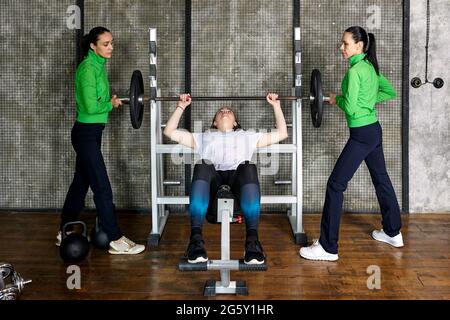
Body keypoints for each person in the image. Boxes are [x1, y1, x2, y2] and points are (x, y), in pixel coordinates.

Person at [300, 26, 403, 261]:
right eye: (342, 43)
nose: (341, 48)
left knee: (336, 184)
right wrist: (367, 102)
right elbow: (388, 92)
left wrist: (338, 99)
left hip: (362, 134)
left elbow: (353, 108)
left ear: (359, 46)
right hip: (373, 130)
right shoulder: (369, 66)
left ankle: (327, 247)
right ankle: (392, 232)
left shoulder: (356, 71)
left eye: (345, 44)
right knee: (381, 178)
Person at [164, 93, 288, 264]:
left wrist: (276, 105)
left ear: (236, 122)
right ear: (215, 122)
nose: (224, 111)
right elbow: (169, 131)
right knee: (203, 164)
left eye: (229, 110)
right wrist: (181, 107)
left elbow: (282, 133)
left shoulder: (248, 136)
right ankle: (195, 241)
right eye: (220, 111)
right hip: (211, 188)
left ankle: (253, 243)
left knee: (248, 166)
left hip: (239, 187)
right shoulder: (203, 136)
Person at [57, 26, 145, 255]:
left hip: (92, 133)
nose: (111, 47)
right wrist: (111, 104)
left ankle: (62, 232)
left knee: (80, 183)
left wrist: (109, 99)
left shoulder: (98, 66)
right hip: (85, 134)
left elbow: (97, 98)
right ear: (92, 46)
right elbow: (90, 106)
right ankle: (116, 239)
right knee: (102, 187)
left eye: (111, 42)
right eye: (105, 44)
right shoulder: (88, 69)